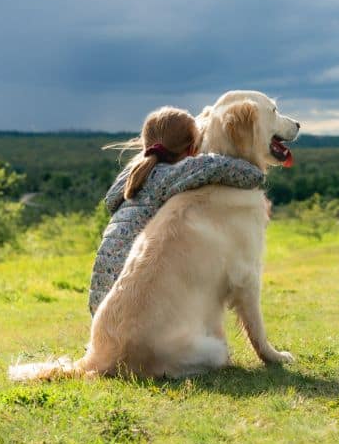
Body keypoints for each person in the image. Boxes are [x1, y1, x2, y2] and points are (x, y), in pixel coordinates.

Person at [88, 106, 265, 315]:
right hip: (135, 311)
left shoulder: (131, 177)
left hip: (101, 310)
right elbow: (252, 175)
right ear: (191, 149)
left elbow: (110, 201)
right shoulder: (173, 174)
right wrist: (209, 153)